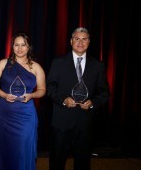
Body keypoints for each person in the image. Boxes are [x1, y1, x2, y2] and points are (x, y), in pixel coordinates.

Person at [46, 27, 110, 170]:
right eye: (77, 38)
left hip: (85, 122)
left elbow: (104, 92)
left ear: (89, 42)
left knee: (83, 162)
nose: (80, 42)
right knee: (57, 161)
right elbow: (50, 87)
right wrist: (63, 100)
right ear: (71, 41)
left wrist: (93, 102)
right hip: (62, 120)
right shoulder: (58, 62)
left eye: (84, 39)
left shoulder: (98, 65)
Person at [0, 33, 46, 170]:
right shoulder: (3, 63)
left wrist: (32, 95)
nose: (20, 49)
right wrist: (3, 94)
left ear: (29, 47)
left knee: (22, 149)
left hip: (26, 115)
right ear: (12, 47)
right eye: (16, 45)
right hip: (5, 114)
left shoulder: (36, 67)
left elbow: (42, 90)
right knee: (5, 148)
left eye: (23, 45)